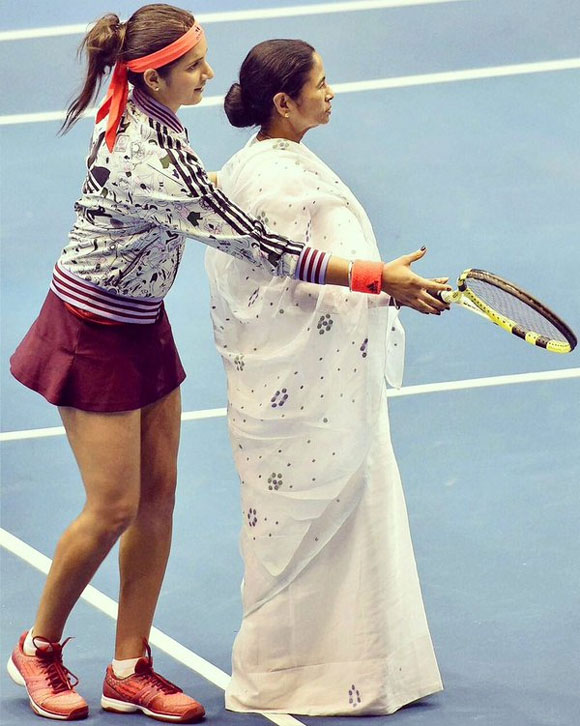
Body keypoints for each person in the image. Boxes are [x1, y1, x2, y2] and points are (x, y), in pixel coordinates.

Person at [6, 4, 449, 722]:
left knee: (157, 500)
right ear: (153, 74)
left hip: (142, 324)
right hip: (90, 332)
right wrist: (374, 277)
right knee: (113, 505)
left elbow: (214, 203)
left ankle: (129, 667)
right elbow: (255, 242)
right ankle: (40, 646)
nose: (210, 74)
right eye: (195, 65)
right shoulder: (144, 156)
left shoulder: (154, 119)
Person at [204, 39, 446, 716]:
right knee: (320, 526)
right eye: (322, 82)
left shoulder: (268, 161)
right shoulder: (277, 176)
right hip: (313, 398)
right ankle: (297, 675)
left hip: (323, 385)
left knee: (335, 524)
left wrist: (385, 285)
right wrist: (379, 280)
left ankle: (343, 670)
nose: (332, 91)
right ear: (284, 102)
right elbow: (284, 267)